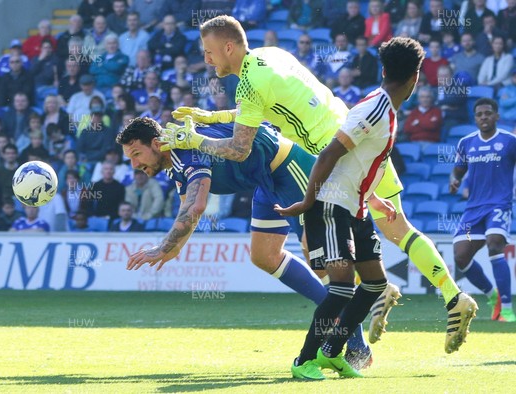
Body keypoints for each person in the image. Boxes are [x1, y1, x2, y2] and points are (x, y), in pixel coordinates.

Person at [164, 17, 476, 355]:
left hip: (337, 154)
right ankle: (442, 296)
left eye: (209, 52)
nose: (207, 60)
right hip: (355, 131)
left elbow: (239, 148)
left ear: (228, 47)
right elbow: (256, 110)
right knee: (395, 227)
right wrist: (211, 118)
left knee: (327, 250)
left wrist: (194, 139)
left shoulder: (250, 83)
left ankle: (346, 332)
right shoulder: (271, 55)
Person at [274, 37, 475, 380]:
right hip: (332, 205)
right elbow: (329, 154)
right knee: (341, 287)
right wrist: (309, 201)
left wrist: (374, 199)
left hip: (356, 207)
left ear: (384, 70)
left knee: (373, 284)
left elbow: (359, 162)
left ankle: (332, 353)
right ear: (416, 78)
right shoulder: (376, 108)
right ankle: (303, 360)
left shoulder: (385, 111)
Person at [120, 117, 372, 369]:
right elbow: (189, 209)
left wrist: (163, 247)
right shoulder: (174, 161)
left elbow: (196, 206)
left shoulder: (185, 151)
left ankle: (357, 344)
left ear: (156, 143)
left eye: (136, 154)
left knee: (321, 263)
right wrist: (171, 248)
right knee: (264, 256)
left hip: (289, 169)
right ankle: (339, 315)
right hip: (265, 181)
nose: (134, 164)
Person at [450, 98, 516, 323]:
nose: (484, 117)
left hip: (499, 205)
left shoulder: (509, 141)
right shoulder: (466, 143)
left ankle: (506, 309)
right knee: (460, 256)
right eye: (479, 114)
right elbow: (459, 169)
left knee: (495, 244)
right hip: (474, 210)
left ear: (496, 116)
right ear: (475, 118)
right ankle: (493, 296)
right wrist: (454, 180)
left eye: (488, 113)